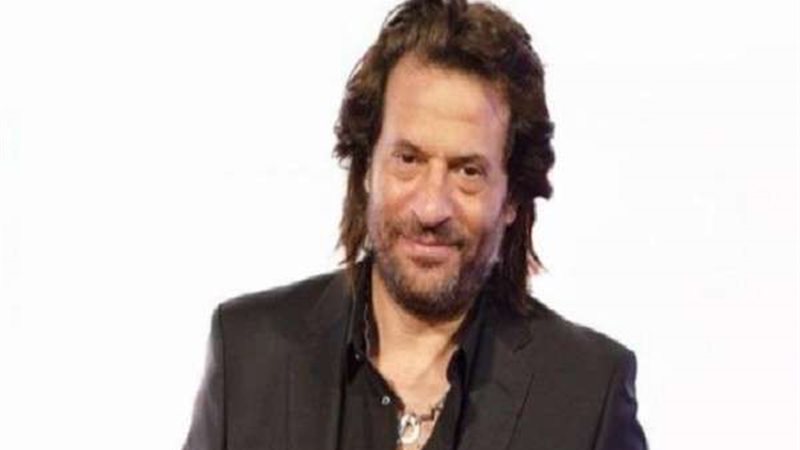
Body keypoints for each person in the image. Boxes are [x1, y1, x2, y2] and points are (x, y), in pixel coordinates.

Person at [183, 0, 648, 449]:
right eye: (408, 159)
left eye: (468, 171)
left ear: (512, 196)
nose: (430, 208)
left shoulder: (589, 394)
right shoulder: (247, 352)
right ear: (366, 166)